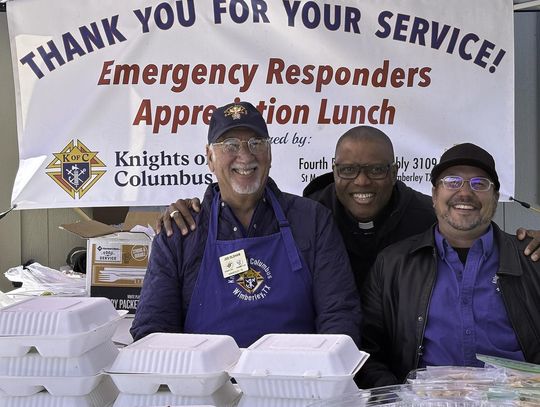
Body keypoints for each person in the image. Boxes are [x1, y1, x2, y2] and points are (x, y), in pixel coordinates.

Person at [161, 125, 540, 290]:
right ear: (334, 171)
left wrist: (526, 248)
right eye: (348, 170)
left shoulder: (429, 216)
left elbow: (474, 231)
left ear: (395, 173)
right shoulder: (311, 215)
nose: (362, 182)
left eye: (376, 170)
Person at [130, 101, 362, 348]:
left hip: (295, 379)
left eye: (256, 143)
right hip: (205, 383)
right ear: (209, 157)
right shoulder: (181, 231)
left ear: (270, 154)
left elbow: (340, 314)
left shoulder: (313, 220)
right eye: (230, 145)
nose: (245, 155)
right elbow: (153, 328)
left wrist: (323, 371)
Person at [358, 143, 540, 388]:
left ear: (495, 198)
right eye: (452, 182)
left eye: (479, 184)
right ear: (434, 196)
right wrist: (400, 399)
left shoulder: (532, 258)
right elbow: (368, 353)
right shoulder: (392, 265)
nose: (465, 193)